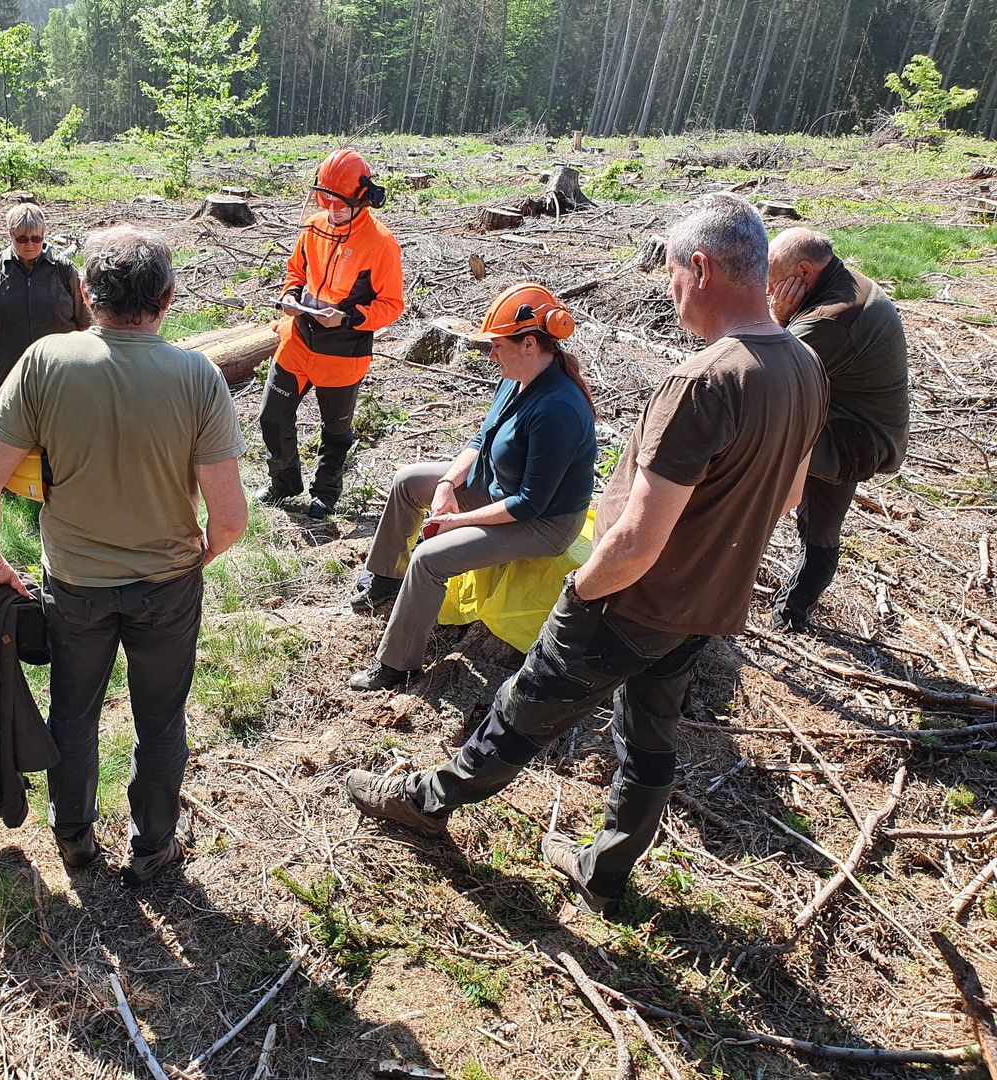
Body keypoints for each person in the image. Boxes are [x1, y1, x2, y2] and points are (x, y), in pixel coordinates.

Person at [344, 194, 828, 916]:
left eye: (670, 274)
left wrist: (585, 590)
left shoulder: (704, 383)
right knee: (648, 742)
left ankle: (426, 802)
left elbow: (632, 537)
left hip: (630, 600)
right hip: (704, 606)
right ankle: (605, 873)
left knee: (518, 712)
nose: (669, 291)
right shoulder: (805, 367)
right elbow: (788, 497)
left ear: (700, 267)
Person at [0, 226, 248, 885]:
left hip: (75, 588)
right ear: (169, 298)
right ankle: (154, 849)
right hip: (168, 585)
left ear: (87, 293)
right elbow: (230, 519)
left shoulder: (43, 364)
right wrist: (195, 560)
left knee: (74, 714)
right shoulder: (198, 377)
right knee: (161, 722)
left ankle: (75, 843)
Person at [348, 283, 598, 691]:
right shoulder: (516, 378)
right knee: (408, 481)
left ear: (530, 343)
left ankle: (397, 666)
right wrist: (447, 483)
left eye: (498, 346)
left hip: (543, 523)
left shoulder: (558, 409)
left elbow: (529, 505)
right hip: (500, 487)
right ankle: (384, 577)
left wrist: (458, 521)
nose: (491, 355)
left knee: (429, 557)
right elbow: (482, 440)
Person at [766, 227, 909, 631]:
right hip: (853, 420)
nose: (769, 291)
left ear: (804, 272)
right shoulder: (845, 282)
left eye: (773, 282)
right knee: (821, 522)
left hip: (853, 438)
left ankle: (790, 613)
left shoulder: (828, 318)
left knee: (816, 523)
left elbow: (766, 373)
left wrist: (779, 318)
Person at [257, 147, 404, 519]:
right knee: (272, 416)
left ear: (363, 198)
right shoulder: (315, 226)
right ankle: (284, 482)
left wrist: (349, 317)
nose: (332, 210)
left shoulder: (381, 244)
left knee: (335, 431)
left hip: (343, 352)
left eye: (340, 203)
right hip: (298, 338)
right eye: (326, 200)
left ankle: (325, 493)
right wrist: (291, 294)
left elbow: (392, 305)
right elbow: (296, 271)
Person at [0, 203, 91, 394]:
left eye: (36, 238)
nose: (29, 244)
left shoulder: (64, 270)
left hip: (60, 375)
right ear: (10, 234)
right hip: (9, 375)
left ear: (44, 233)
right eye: (22, 239)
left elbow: (86, 323)